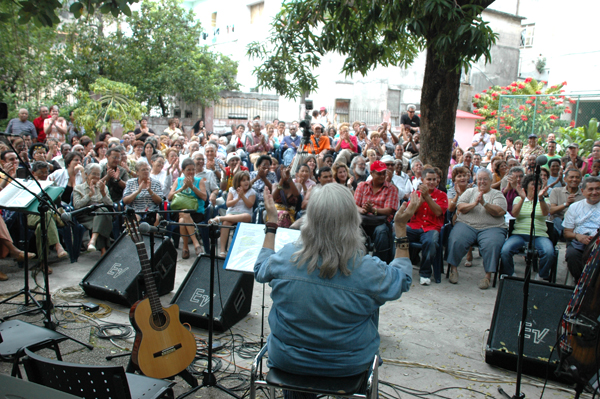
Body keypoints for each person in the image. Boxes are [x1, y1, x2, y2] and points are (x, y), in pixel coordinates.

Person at [254, 183, 413, 379]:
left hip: (288, 361)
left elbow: (259, 270)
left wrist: (271, 224)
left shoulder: (287, 257)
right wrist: (400, 228)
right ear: (353, 220)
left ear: (310, 219)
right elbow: (403, 279)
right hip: (349, 367)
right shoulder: (368, 269)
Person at [446, 169, 508, 290]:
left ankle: (487, 276)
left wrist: (484, 203)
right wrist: (474, 204)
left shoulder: (497, 194)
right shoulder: (470, 191)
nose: (482, 182)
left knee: (492, 244)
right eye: (480, 179)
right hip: (467, 224)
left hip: (492, 227)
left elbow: (499, 211)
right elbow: (460, 206)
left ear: (491, 181)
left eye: (485, 179)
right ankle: (453, 269)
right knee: (456, 238)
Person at [500, 174, 554, 280]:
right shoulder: (518, 199)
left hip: (539, 235)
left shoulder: (545, 200)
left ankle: (542, 276)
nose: (536, 187)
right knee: (505, 250)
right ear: (527, 186)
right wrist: (522, 199)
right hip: (519, 234)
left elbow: (545, 213)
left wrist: (541, 199)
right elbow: (514, 214)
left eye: (538, 184)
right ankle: (510, 274)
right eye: (533, 184)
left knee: (549, 252)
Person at [406, 168, 448, 285]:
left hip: (431, 227)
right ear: (423, 180)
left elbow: (438, 212)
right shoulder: (415, 194)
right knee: (397, 233)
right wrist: (421, 199)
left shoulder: (442, 195)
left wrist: (427, 197)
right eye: (429, 179)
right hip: (415, 226)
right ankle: (399, 267)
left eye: (434, 180)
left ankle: (425, 273)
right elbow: (410, 212)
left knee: (431, 242)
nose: (432, 182)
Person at [355, 160, 399, 263]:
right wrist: (363, 209)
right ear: (371, 173)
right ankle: (357, 261)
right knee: (354, 230)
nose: (382, 176)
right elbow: (354, 205)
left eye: (384, 173)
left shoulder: (391, 189)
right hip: (364, 220)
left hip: (381, 222)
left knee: (381, 231)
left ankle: (379, 263)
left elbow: (389, 210)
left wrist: (373, 210)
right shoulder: (362, 186)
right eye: (379, 173)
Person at [167, 159, 207, 259]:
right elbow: (169, 197)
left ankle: (185, 247)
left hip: (196, 212)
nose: (191, 172)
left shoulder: (199, 181)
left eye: (193, 170)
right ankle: (196, 243)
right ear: (183, 171)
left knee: (183, 218)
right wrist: (182, 188)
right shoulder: (178, 181)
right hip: (179, 211)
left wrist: (192, 187)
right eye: (188, 170)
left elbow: (204, 197)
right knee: (184, 213)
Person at [210, 171, 256, 256]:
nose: (246, 182)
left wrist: (242, 196)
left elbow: (250, 205)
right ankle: (223, 250)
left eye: (247, 180)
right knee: (226, 223)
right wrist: (238, 198)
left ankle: (220, 218)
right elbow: (228, 204)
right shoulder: (232, 190)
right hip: (232, 212)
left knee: (247, 217)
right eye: (243, 180)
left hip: (244, 213)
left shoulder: (251, 192)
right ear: (238, 182)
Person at [564, 176, 600, 281]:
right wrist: (577, 236)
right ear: (583, 191)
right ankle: (581, 283)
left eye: (598, 189)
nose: (595, 192)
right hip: (579, 243)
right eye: (591, 189)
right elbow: (567, 233)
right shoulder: (575, 207)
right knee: (572, 256)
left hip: (598, 243)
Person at [74, 164, 114, 255]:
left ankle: (93, 240)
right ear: (87, 174)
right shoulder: (78, 188)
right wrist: (89, 195)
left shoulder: (103, 187)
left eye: (98, 174)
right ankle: (103, 250)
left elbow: (110, 205)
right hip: (86, 215)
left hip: (101, 213)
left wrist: (103, 193)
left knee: (102, 213)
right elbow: (76, 205)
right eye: (94, 174)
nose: (96, 177)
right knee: (103, 217)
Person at [549, 168, 584, 238]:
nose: (574, 179)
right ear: (565, 179)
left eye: (577, 177)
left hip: (576, 223)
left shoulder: (584, 194)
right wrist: (566, 204)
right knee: (557, 220)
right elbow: (551, 210)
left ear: (581, 180)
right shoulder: (556, 191)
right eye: (571, 177)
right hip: (559, 222)